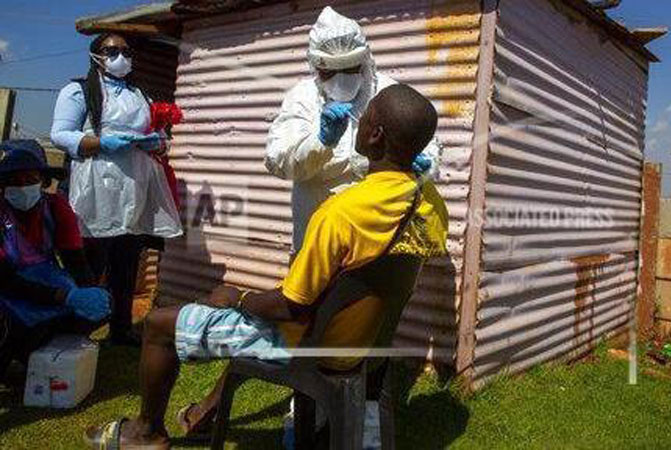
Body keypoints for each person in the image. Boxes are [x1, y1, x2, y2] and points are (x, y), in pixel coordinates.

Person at [84, 84, 448, 449]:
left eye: (365, 114)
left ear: (374, 133)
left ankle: (146, 434)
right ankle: (203, 414)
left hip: (305, 345)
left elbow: (290, 305)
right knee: (247, 316)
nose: (359, 119)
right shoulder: (430, 204)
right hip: (361, 344)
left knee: (160, 323)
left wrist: (237, 297)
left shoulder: (342, 213)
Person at [265, 6, 442, 253]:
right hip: (317, 237)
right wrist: (320, 142)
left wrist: (426, 163)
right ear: (317, 69)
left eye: (350, 69)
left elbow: (424, 139)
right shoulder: (302, 98)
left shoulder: (387, 92)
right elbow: (279, 163)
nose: (341, 80)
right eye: (330, 72)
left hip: (377, 239)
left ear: (364, 62)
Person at [50, 33, 182, 346]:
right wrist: (101, 143)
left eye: (125, 51)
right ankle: (74, 331)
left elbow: (160, 138)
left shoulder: (140, 95)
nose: (121, 56)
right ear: (96, 55)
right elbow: (60, 134)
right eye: (112, 50)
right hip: (94, 185)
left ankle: (121, 329)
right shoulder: (79, 91)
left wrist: (158, 143)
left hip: (132, 188)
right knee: (90, 263)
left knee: (126, 265)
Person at [0, 140, 110, 376]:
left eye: (29, 180)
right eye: (13, 182)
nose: (22, 187)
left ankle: (43, 354)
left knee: (90, 310)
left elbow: (75, 260)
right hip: (10, 290)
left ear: (43, 182)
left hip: (46, 283)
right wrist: (63, 296)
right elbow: (5, 280)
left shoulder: (55, 207)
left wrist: (88, 295)